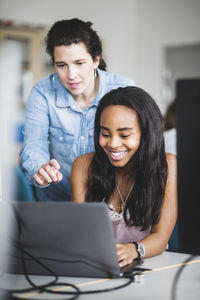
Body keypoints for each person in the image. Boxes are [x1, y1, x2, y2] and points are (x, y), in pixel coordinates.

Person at [19, 18, 135, 202]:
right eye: (61, 65)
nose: (71, 75)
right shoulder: (42, 92)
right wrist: (40, 168)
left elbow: (138, 146)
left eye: (79, 63)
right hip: (57, 201)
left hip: (110, 202)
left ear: (96, 59)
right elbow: (34, 144)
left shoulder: (123, 88)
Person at [71, 86, 177, 267]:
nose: (112, 144)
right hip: (97, 266)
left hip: (150, 267)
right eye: (105, 134)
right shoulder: (83, 166)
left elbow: (161, 236)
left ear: (147, 134)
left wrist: (133, 250)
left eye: (124, 135)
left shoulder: (168, 165)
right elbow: (80, 231)